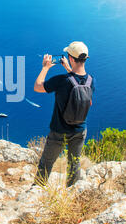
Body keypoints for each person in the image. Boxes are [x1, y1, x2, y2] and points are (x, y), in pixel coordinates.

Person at [33, 41, 95, 187]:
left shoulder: (62, 81)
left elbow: (37, 86)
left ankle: (37, 190)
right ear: (85, 59)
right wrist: (69, 69)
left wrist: (45, 68)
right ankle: (73, 191)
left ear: (71, 58)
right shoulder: (91, 81)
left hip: (59, 131)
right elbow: (78, 84)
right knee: (74, 164)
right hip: (80, 130)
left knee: (46, 163)